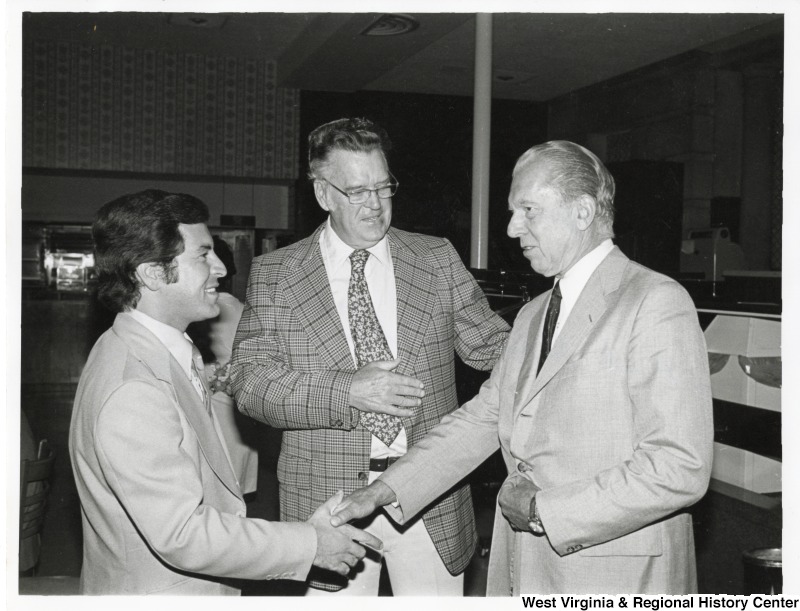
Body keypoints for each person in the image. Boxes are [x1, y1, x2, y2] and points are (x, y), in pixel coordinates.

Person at [331, 140, 714, 595]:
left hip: (617, 575)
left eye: (528, 210)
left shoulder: (653, 301)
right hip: (532, 567)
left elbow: (679, 466)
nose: (513, 228)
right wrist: (384, 490)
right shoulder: (534, 314)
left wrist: (541, 511)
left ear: (583, 211)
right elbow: (483, 417)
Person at [230, 117, 510, 595]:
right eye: (358, 191)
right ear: (323, 194)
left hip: (428, 498)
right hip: (329, 507)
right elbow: (250, 385)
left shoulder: (436, 257)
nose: (377, 205)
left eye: (384, 187)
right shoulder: (277, 274)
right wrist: (349, 391)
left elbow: (492, 346)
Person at [69, 189, 379, 595]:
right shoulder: (134, 388)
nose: (219, 267)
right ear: (152, 273)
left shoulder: (145, 349)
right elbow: (182, 533)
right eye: (202, 255)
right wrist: (310, 542)